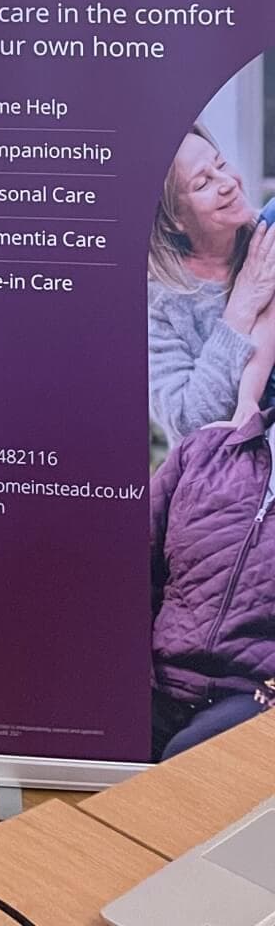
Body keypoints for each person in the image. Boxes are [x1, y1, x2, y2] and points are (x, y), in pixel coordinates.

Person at [150, 405, 275, 760]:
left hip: (253, 696)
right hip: (157, 678)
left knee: (186, 763)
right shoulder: (203, 451)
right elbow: (130, 575)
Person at [148, 125, 275, 446]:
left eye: (221, 165)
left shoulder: (267, 238)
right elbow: (189, 423)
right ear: (174, 218)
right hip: (231, 479)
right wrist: (241, 306)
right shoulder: (156, 300)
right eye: (203, 182)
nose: (229, 183)